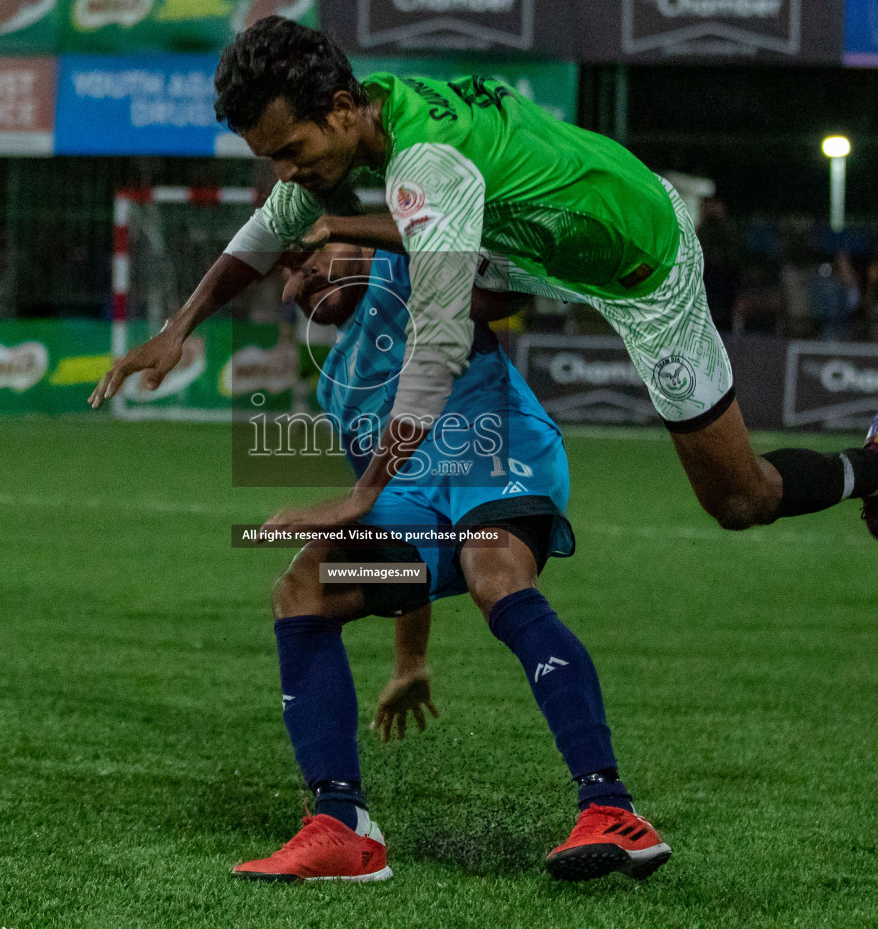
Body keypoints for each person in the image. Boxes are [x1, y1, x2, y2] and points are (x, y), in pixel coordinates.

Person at [91, 18, 878, 547]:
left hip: (642, 265)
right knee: (394, 268)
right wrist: (179, 326)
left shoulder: (425, 164)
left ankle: (877, 464)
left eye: (288, 151)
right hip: (533, 241)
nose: (283, 172)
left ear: (341, 107)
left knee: (739, 500)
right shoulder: (377, 110)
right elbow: (272, 226)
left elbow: (442, 338)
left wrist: (362, 495)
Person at [230, 243, 670, 884]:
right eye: (286, 279)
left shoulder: (404, 265)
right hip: (424, 510)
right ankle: (343, 826)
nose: (295, 288)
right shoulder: (336, 384)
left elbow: (506, 294)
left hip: (499, 453)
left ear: (347, 240)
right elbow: (385, 516)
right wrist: (410, 661)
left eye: (302, 263)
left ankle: (610, 808)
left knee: (491, 568)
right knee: (308, 585)